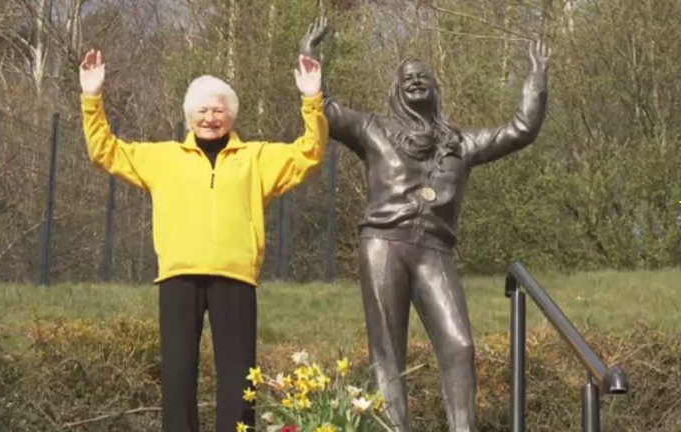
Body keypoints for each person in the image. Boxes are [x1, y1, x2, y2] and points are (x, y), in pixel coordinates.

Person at [300, 17, 551, 432]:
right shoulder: (372, 129)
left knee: (459, 345)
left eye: (423, 77)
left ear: (436, 88)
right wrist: (309, 53)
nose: (415, 81)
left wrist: (537, 81)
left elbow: (520, 130)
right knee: (388, 352)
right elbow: (324, 109)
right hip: (383, 244)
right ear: (396, 90)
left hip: (435, 250)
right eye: (407, 78)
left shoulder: (461, 143)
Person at [78, 49, 327, 432]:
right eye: (202, 111)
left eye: (218, 110)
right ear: (189, 117)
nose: (210, 118)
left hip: (236, 278)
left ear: (231, 115)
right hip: (179, 277)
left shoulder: (256, 158)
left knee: (239, 380)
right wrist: (92, 98)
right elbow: (105, 150)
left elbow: (309, 153)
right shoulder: (163, 158)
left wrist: (312, 100)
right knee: (177, 378)